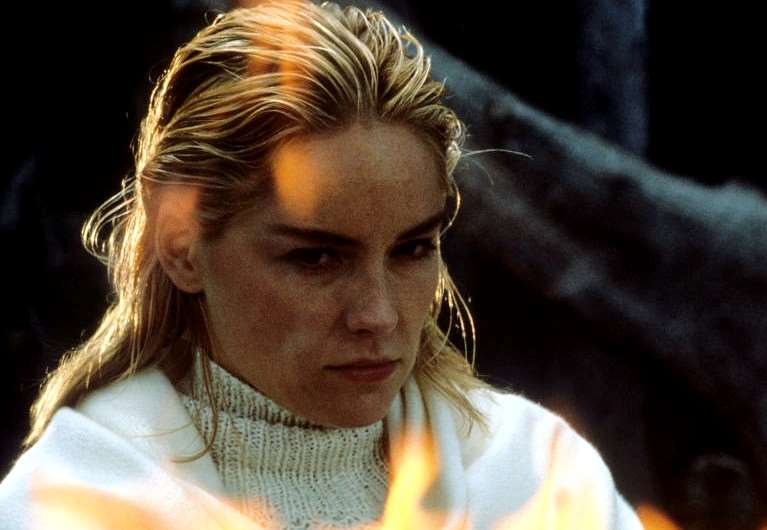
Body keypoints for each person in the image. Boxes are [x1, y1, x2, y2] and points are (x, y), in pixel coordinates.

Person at [0, 2, 641, 529]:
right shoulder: (73, 502)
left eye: (412, 248)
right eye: (317, 258)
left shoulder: (537, 478)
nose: (378, 315)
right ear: (180, 245)